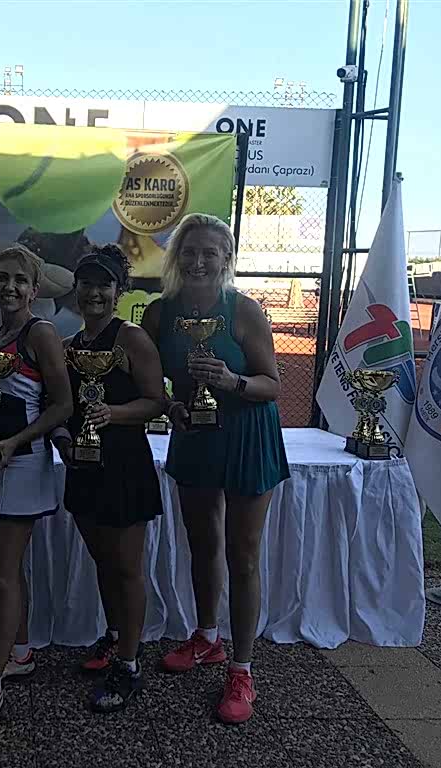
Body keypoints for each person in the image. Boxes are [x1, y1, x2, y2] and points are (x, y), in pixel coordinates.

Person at [140, 213, 291, 725]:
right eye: (189, 252)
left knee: (242, 555)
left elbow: (273, 385)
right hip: (196, 436)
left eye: (209, 252)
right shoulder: (159, 314)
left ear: (226, 258)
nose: (198, 261)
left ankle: (242, 669)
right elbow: (151, 382)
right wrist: (170, 407)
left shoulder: (244, 310)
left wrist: (232, 381)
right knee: (202, 543)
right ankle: (207, 637)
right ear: (176, 257)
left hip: (247, 435)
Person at [0, 244, 73, 739]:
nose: (10, 287)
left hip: (22, 464)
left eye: (19, 280)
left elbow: (63, 405)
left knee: (1, 574)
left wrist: (14, 442)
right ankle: (19, 652)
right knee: (2, 570)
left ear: (34, 289)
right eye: (2, 278)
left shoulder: (41, 333)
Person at [50, 243, 166, 713]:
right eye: (87, 283)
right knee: (102, 561)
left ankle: (130, 664)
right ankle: (115, 636)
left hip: (124, 465)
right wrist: (62, 435)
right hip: (83, 466)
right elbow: (60, 407)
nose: (94, 293)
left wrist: (112, 414)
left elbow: (156, 402)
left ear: (119, 292)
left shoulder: (132, 339)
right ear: (76, 289)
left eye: (104, 284)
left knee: (126, 567)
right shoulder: (68, 347)